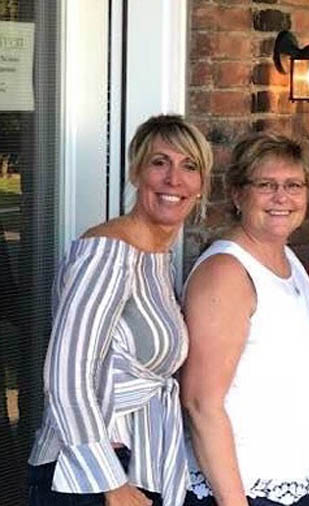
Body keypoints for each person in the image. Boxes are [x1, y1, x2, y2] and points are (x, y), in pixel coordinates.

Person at [26, 114, 213, 506]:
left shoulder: (158, 257)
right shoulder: (107, 252)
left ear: (201, 184)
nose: (174, 180)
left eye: (189, 166)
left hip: (139, 464)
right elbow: (66, 375)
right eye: (160, 162)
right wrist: (110, 482)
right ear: (135, 172)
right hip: (88, 476)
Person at [179, 133, 309, 506]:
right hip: (244, 490)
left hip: (297, 486)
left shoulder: (287, 259)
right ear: (237, 194)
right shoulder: (226, 272)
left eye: (294, 185)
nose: (282, 197)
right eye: (266, 185)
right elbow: (201, 403)